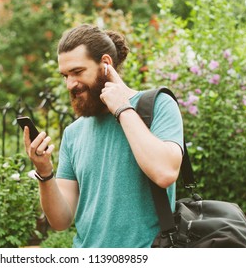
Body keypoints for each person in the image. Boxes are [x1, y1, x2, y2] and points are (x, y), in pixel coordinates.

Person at [23, 24, 183, 248]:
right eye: (65, 76)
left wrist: (122, 109)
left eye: (78, 72)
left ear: (106, 64)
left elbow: (165, 172)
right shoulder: (73, 133)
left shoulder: (158, 105)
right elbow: (60, 220)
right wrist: (44, 171)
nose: (70, 84)